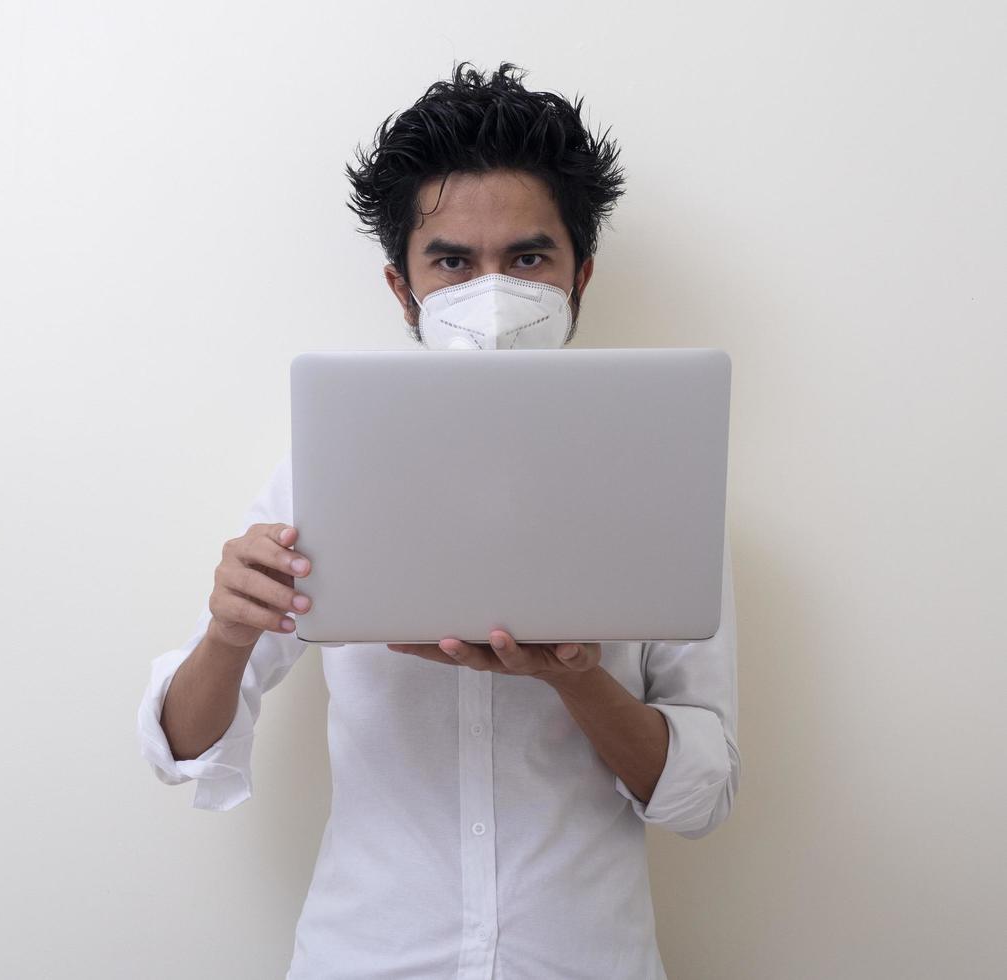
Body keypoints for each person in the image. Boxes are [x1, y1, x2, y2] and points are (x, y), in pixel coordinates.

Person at [137, 61, 739, 980]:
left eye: (528, 257)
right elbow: (182, 749)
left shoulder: (667, 477)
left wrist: (576, 679)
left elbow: (700, 795)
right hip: (367, 956)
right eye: (453, 260)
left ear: (580, 273)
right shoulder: (323, 465)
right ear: (402, 286)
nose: (491, 291)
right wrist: (225, 632)